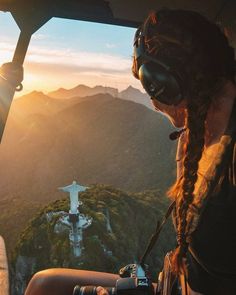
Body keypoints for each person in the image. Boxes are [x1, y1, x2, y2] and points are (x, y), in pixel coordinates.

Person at [25, 9, 235, 295]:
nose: (152, 101)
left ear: (168, 83)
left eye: (149, 85)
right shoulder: (200, 130)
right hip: (173, 283)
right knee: (44, 283)